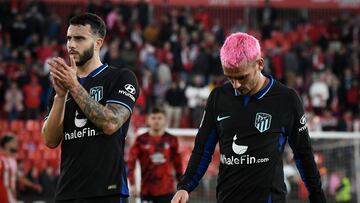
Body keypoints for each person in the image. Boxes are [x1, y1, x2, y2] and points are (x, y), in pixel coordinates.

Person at [171, 32, 326, 203]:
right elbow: (202, 149)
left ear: (259, 64)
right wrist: (185, 186)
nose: (236, 85)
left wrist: (317, 196)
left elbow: (303, 153)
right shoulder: (218, 98)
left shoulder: (286, 99)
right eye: (229, 77)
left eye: (241, 77)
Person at [41, 13, 139, 203]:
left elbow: (111, 123)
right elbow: (50, 140)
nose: (71, 45)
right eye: (69, 38)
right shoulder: (62, 87)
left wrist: (74, 86)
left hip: (106, 191)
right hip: (67, 192)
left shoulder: (121, 77)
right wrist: (61, 96)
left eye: (79, 38)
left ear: (98, 43)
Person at [128, 107, 183, 203]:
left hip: (167, 191)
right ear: (148, 120)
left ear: (165, 120)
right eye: (153, 118)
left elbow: (178, 164)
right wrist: (132, 184)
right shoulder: (141, 140)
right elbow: (131, 162)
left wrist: (181, 185)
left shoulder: (171, 139)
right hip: (147, 191)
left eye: (159, 118)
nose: (156, 121)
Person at [0, 133, 42, 203]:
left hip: (11, 195)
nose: (16, 144)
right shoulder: (1, 160)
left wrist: (33, 186)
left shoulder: (13, 160)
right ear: (6, 144)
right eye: (14, 142)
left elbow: (18, 177)